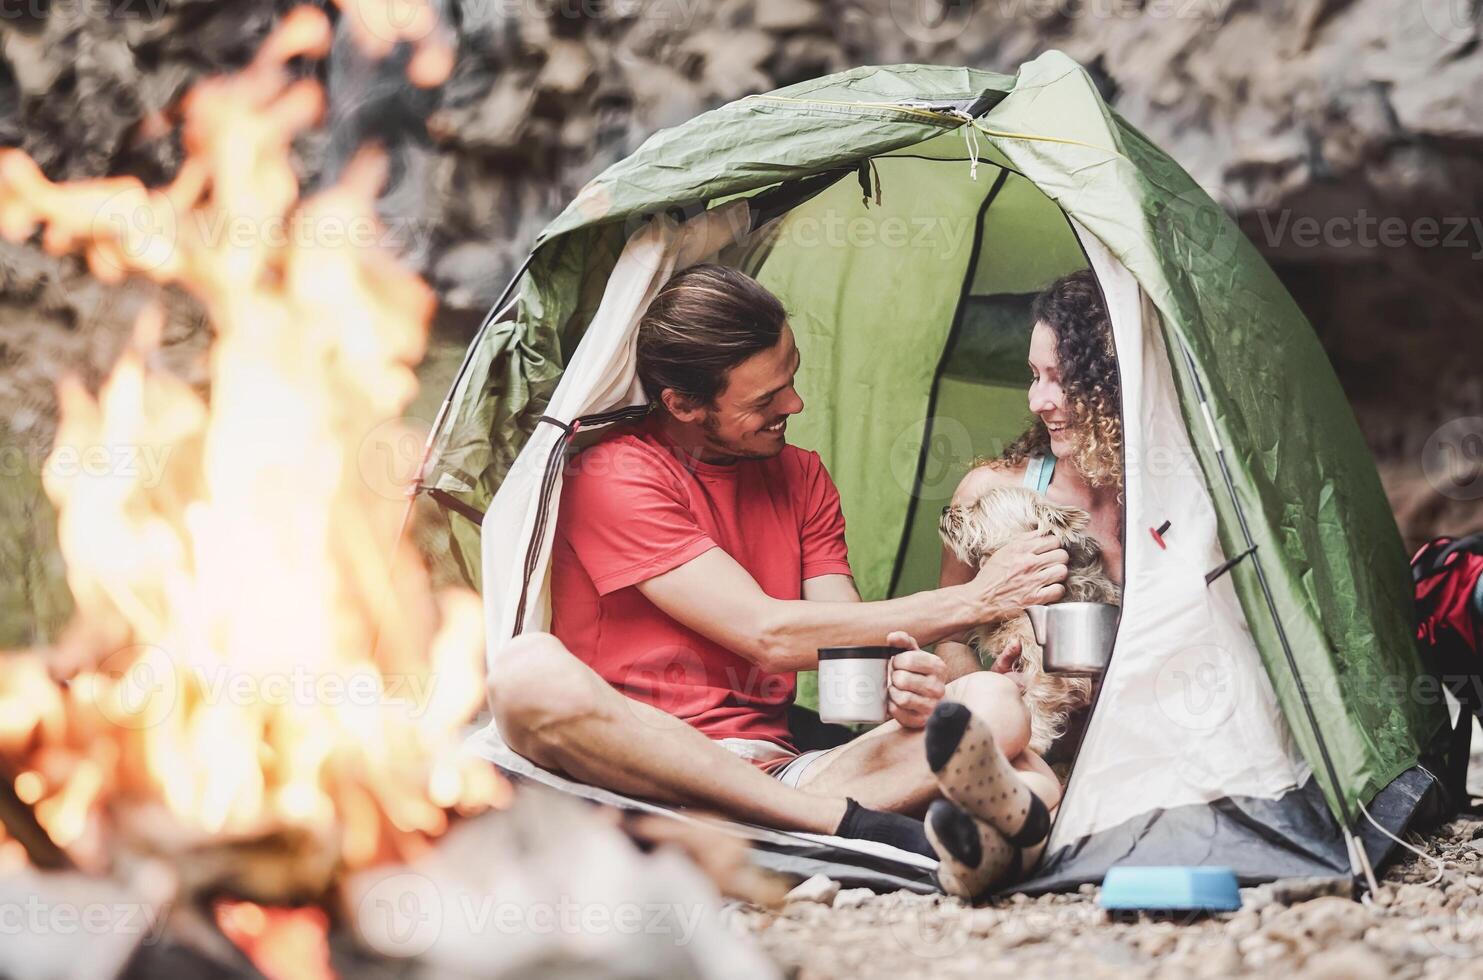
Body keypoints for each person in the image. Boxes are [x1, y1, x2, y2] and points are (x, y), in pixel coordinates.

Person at [489, 264, 1068, 865]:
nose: (795, 402)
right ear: (683, 404)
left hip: (783, 773)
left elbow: (850, 653)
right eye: (765, 398)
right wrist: (973, 601)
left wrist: (899, 687)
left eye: (791, 374)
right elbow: (768, 634)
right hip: (638, 768)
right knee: (526, 674)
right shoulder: (614, 475)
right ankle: (840, 826)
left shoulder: (801, 476)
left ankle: (826, 828)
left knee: (996, 709)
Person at [921, 269, 1125, 894]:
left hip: (1135, 741)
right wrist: (986, 677)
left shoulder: (1183, 499)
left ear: (1119, 385)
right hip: (1024, 737)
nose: (1039, 400)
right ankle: (1015, 816)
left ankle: (989, 845)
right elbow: (947, 633)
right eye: (1035, 376)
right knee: (998, 718)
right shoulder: (996, 496)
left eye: (1063, 380)